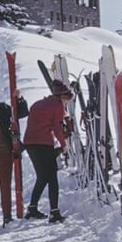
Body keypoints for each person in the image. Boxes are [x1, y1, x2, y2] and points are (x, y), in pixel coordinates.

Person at [23, 79, 72, 223]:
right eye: (66, 101)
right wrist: (63, 145)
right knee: (52, 178)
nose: (66, 104)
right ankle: (54, 213)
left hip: (30, 143)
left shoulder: (38, 104)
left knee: (43, 176)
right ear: (62, 97)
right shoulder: (56, 106)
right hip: (43, 143)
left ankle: (32, 208)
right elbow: (57, 127)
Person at [0, 89, 29, 225]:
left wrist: (19, 99)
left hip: (4, 152)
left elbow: (21, 112)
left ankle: (7, 214)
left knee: (5, 184)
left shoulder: (2, 108)